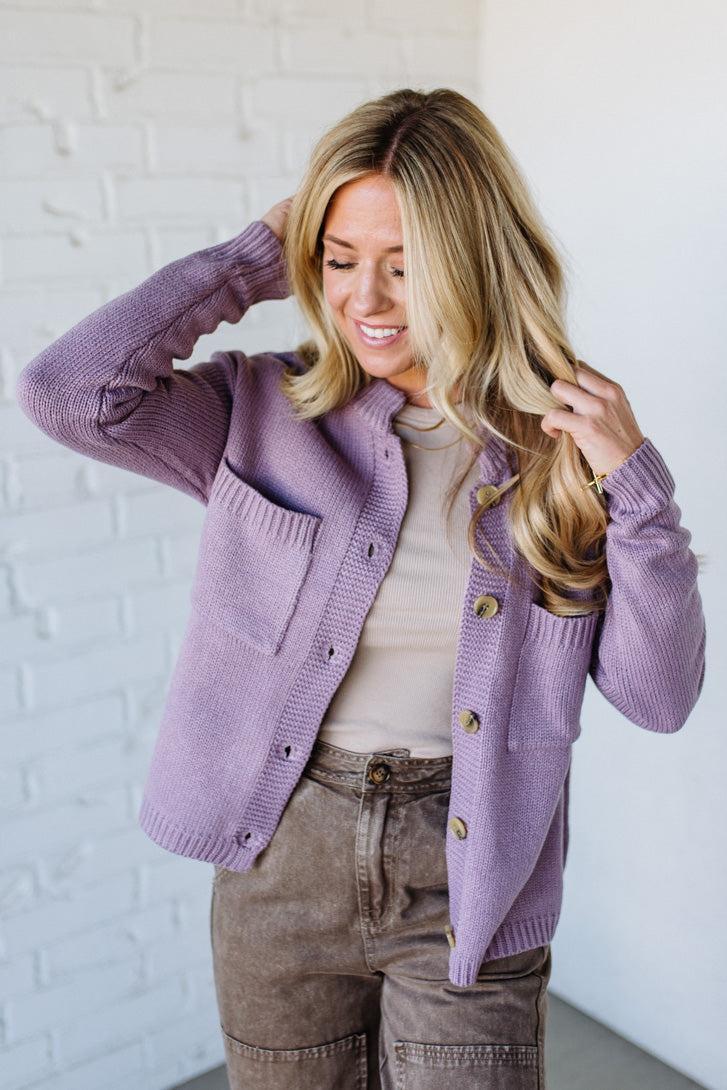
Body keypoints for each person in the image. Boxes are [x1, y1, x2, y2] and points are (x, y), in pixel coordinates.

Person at [15, 87, 706, 1090]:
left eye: (405, 265)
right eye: (339, 260)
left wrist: (637, 493)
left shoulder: (559, 452)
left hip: (472, 880)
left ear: (477, 258)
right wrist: (249, 260)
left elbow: (660, 695)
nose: (364, 300)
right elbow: (66, 393)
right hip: (280, 863)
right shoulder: (261, 410)